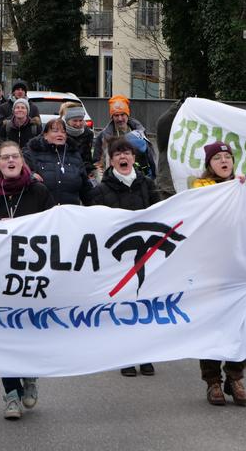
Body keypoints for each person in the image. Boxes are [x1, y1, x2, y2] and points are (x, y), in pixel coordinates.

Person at [0, 141, 55, 419]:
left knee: (29, 333)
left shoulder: (38, 190)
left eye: (14, 156)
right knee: (4, 335)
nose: (10, 161)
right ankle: (10, 394)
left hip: (32, 275)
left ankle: (30, 377)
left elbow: (54, 226)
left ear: (22, 160)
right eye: (5, 157)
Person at [191, 141, 246, 407]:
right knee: (214, 327)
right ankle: (212, 381)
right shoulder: (201, 190)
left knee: (240, 326)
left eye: (228, 157)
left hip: (242, 272)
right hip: (213, 272)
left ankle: (235, 377)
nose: (224, 161)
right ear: (209, 165)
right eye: (218, 158)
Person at [89, 137, 160, 377]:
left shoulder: (147, 185)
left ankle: (146, 355)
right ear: (111, 160)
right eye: (117, 153)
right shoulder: (101, 190)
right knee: (123, 308)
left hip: (146, 256)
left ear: (134, 158)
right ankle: (126, 357)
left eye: (127, 153)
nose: (123, 157)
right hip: (118, 259)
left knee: (146, 306)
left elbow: (160, 215)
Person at [23, 118, 92, 206]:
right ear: (45, 135)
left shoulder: (75, 155)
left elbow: (86, 189)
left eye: (63, 132)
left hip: (69, 213)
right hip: (42, 214)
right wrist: (30, 176)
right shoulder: (31, 153)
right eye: (55, 131)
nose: (60, 134)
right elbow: (19, 175)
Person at [92, 95, 155, 177]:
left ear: (127, 115)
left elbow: (150, 157)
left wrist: (152, 177)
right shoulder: (103, 136)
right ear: (112, 117)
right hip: (113, 180)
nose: (120, 119)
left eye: (122, 114)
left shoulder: (140, 132)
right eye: (116, 115)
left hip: (138, 179)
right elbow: (97, 162)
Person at [60, 102, 94, 176]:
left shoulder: (88, 134)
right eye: (75, 121)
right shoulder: (60, 133)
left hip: (83, 172)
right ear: (67, 121)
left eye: (80, 120)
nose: (78, 124)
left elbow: (87, 157)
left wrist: (89, 170)